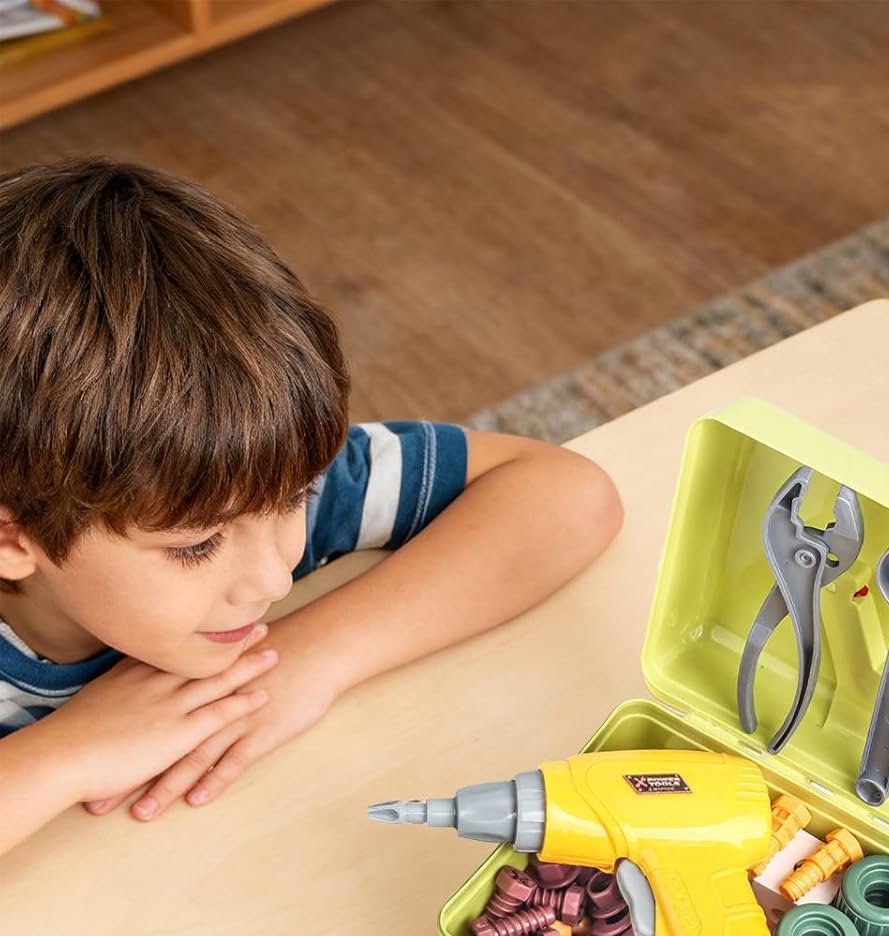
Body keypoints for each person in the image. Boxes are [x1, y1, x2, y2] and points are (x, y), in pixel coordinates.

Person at [0, 159, 623, 856]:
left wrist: (313, 655)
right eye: (197, 546)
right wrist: (65, 753)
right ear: (13, 537)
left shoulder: (244, 476)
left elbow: (570, 497)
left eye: (295, 498)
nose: (272, 577)